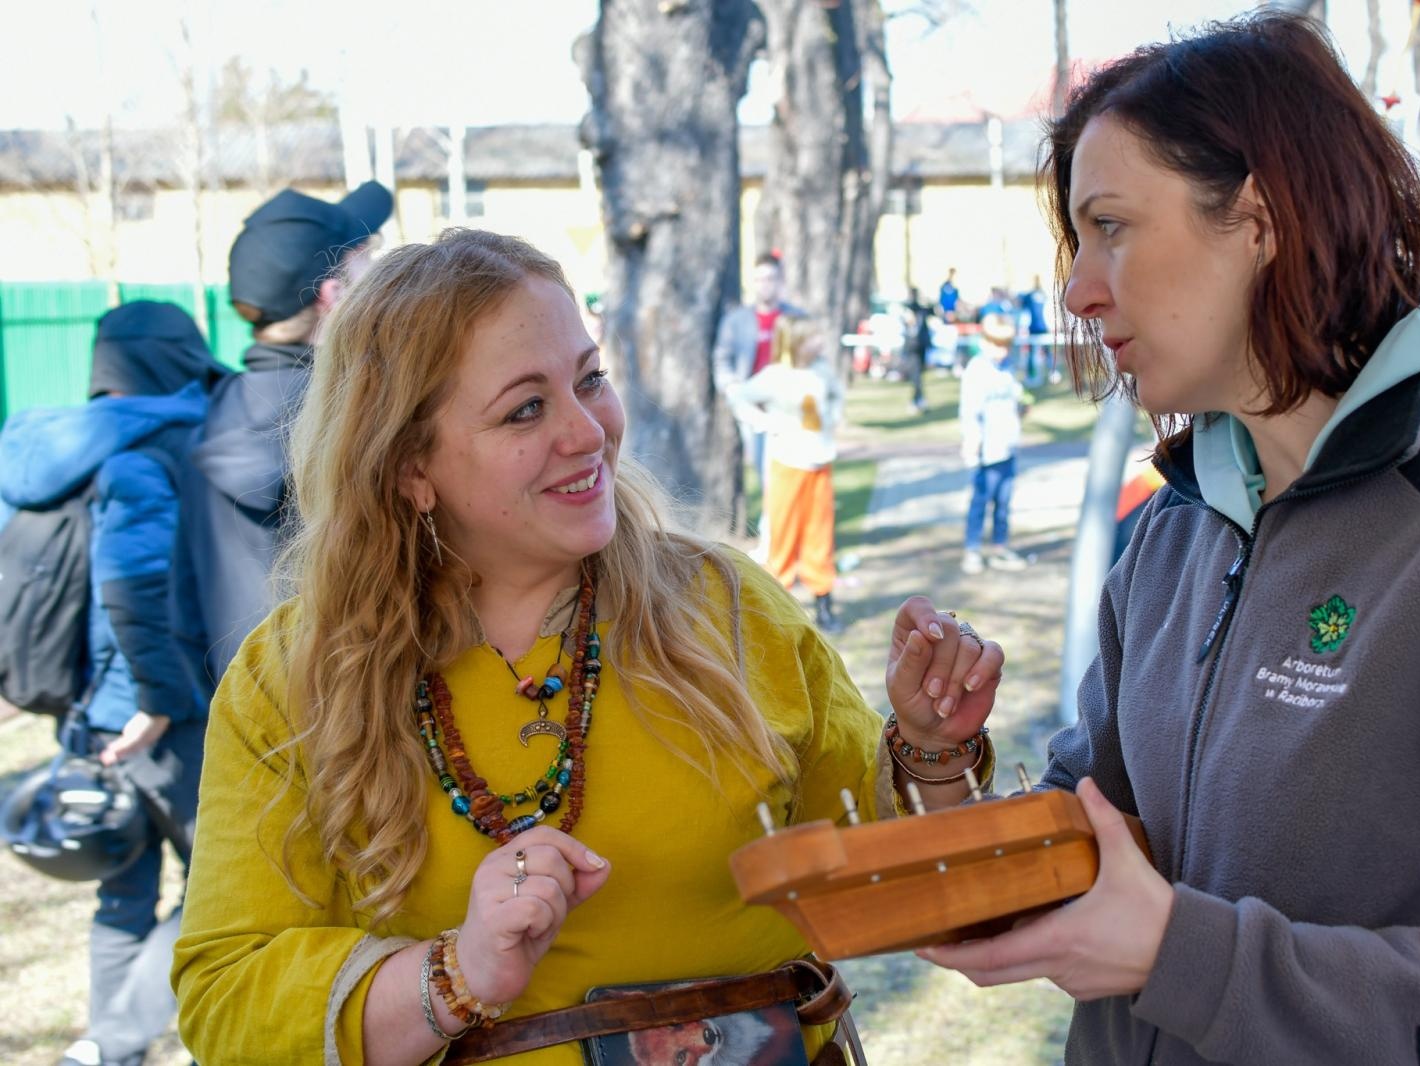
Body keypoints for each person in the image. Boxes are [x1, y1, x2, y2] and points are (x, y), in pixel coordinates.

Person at [915, 14, 1420, 1065]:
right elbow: (1089, 844)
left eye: (1111, 226)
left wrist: (1184, 956)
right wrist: (939, 759)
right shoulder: (1175, 525)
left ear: (1260, 220)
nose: (1078, 289)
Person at [171, 229, 1003, 1065]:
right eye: (525, 409)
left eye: (590, 380)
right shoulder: (298, 676)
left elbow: (904, 881)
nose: (588, 431)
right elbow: (228, 995)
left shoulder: (729, 608)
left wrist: (932, 747)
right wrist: (456, 975)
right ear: (408, 468)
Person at [0, 301, 223, 1066]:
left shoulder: (60, 448)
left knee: (123, 889)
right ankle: (111, 1042)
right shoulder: (147, 452)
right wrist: (158, 702)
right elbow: (135, 587)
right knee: (211, 889)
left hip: (88, 708)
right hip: (156, 715)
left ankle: (107, 1052)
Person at [170, 180, 392, 697]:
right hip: (361, 721)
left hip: (247, 717)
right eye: (367, 263)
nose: (381, 278)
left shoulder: (210, 415)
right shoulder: (360, 425)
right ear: (334, 297)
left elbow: (183, 610)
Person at [726, 319, 847, 633]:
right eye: (812, 338)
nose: (819, 344)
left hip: (819, 463)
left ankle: (824, 602)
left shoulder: (822, 371)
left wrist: (833, 416)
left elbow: (836, 395)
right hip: (789, 463)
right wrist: (766, 423)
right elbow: (739, 397)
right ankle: (776, 609)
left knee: (820, 535)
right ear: (797, 342)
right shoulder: (776, 376)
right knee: (783, 533)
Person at [712, 252, 807, 508]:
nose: (765, 285)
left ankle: (789, 520)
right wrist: (732, 387)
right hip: (753, 409)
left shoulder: (796, 318)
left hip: (789, 408)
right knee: (764, 468)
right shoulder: (736, 321)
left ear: (780, 280)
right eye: (759, 279)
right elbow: (722, 360)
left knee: (792, 468)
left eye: (770, 278)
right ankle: (776, 522)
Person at [959, 314, 1031, 576]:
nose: (1002, 351)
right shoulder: (976, 371)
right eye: (997, 345)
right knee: (981, 501)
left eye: (1006, 346)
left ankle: (1000, 546)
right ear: (984, 342)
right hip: (986, 452)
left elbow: (1014, 399)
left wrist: (1022, 408)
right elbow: (970, 412)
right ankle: (973, 548)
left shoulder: (1008, 370)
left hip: (1007, 448)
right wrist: (972, 442)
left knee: (1004, 502)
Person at [901, 286, 937, 413]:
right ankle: (918, 400)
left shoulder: (921, 309)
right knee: (916, 375)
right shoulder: (908, 308)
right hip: (912, 347)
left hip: (920, 346)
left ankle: (918, 399)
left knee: (918, 375)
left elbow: (933, 311)